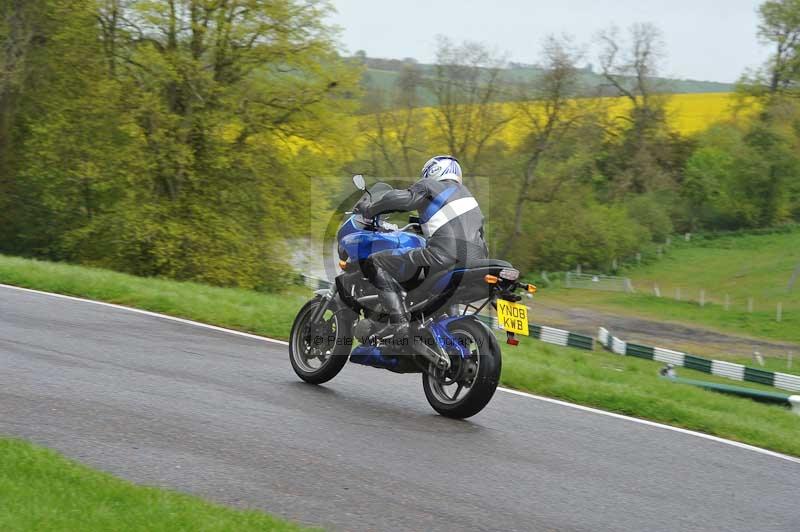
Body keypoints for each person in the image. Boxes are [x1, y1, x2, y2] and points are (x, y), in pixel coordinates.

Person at [355, 155, 489, 339]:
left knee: (374, 262)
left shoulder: (429, 186)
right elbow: (477, 235)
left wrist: (370, 208)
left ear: (433, 171)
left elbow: (401, 199)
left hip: (443, 256)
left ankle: (399, 323)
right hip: (475, 262)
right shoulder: (469, 198)